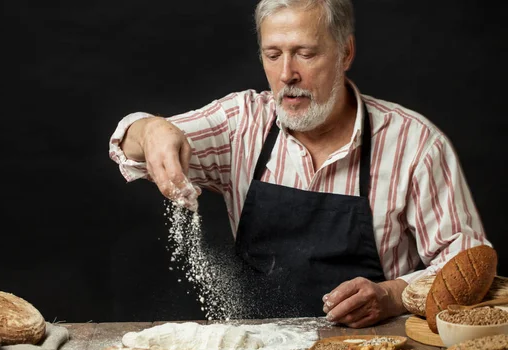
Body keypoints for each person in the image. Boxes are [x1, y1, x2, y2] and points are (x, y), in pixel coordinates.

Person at [108, 0, 491, 327]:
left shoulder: (415, 144)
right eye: (273, 55)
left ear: (345, 53)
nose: (287, 74)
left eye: (305, 53)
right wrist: (153, 129)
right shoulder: (241, 124)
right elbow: (131, 144)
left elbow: (469, 267)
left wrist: (392, 295)